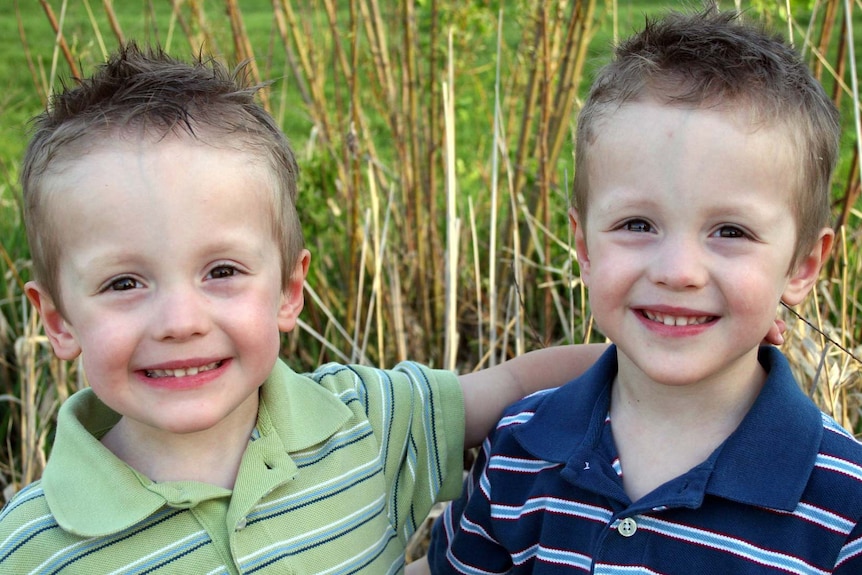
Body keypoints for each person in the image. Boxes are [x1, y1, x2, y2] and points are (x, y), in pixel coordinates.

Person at [0, 43, 615, 574]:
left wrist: (660, 372)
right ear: (57, 321)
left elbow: (509, 383)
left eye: (222, 272)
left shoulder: (368, 422)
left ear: (289, 292)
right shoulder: (32, 546)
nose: (180, 321)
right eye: (125, 284)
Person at [426, 7, 862, 574]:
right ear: (583, 246)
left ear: (803, 265)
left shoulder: (843, 509)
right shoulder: (519, 450)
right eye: (637, 225)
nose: (678, 270)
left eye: (730, 232)